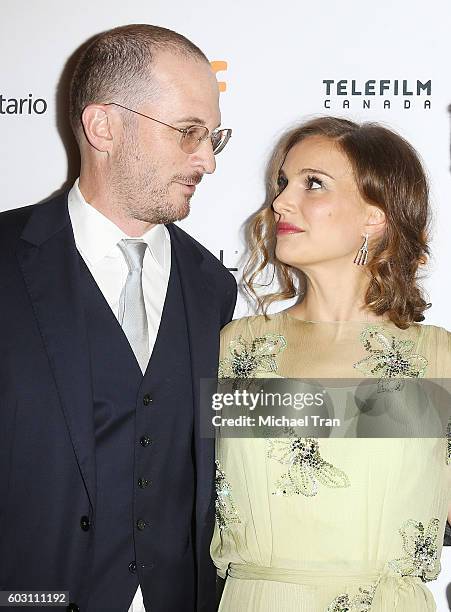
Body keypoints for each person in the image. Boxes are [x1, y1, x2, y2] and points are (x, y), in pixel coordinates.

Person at [0, 24, 236, 612]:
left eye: (213, 138)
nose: (206, 161)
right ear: (103, 126)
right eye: (188, 133)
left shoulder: (213, 286)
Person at [211, 116, 451, 611]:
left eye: (312, 184)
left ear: (375, 214)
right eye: (283, 183)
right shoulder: (235, 351)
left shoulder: (436, 360)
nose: (280, 202)